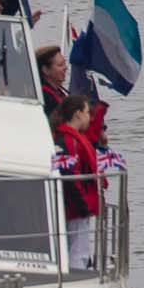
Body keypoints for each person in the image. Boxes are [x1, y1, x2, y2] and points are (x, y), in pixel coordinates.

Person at [50, 94, 102, 270]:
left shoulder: (71, 138)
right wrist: (81, 206)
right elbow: (69, 174)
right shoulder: (67, 140)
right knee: (78, 250)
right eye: (87, 112)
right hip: (76, 206)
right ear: (78, 114)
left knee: (79, 248)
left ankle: (79, 269)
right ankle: (77, 275)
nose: (90, 117)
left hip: (78, 204)